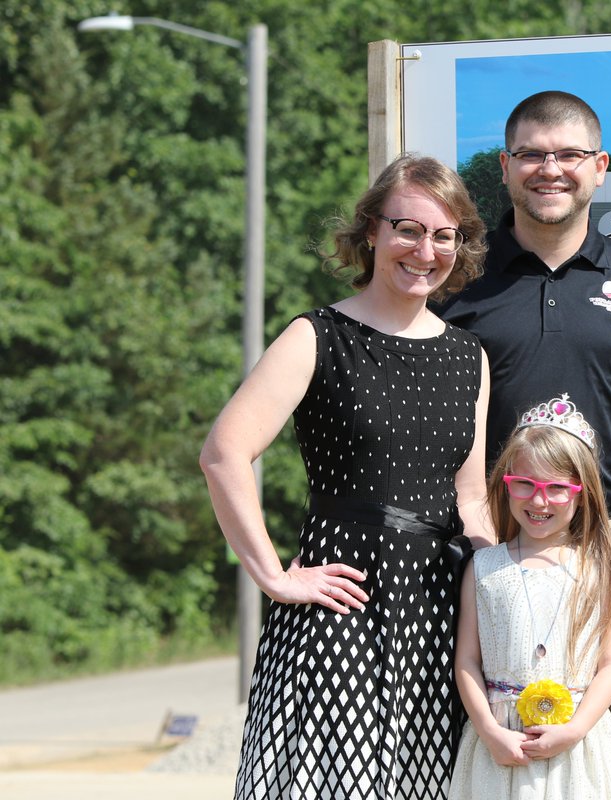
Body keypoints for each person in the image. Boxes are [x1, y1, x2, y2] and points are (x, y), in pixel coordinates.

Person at [435, 90, 611, 780]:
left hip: (609, 540)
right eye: (531, 154)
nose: (548, 169)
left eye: (567, 154)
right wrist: (473, 536)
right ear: (503, 167)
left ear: (599, 167)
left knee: (609, 752)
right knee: (487, 741)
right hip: (484, 541)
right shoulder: (456, 283)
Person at [199, 153, 492, 800]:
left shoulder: (468, 355)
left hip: (438, 610)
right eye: (408, 230)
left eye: (445, 236)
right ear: (370, 233)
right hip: (341, 603)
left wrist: (506, 594)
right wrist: (273, 576)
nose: (426, 250)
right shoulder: (316, 335)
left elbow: (471, 501)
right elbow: (223, 453)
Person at [449, 394, 611, 799]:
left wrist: (574, 730)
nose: (539, 500)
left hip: (576, 750)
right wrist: (489, 731)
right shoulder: (484, 567)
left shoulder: (599, 568)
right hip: (500, 748)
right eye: (525, 484)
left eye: (557, 488)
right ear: (506, 484)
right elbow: (468, 662)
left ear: (581, 493)